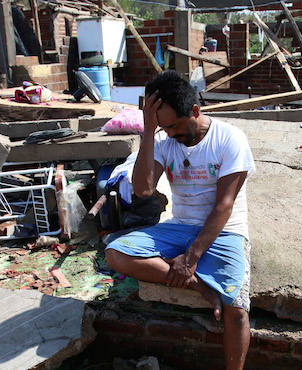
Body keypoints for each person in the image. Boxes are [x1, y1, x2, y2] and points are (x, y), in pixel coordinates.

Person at [105, 70, 255, 369]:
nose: (170, 133)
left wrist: (190, 257)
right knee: (115, 253)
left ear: (195, 111)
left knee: (236, 310)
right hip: (179, 227)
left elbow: (224, 207)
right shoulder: (162, 140)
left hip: (225, 231)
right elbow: (143, 189)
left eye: (174, 125)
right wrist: (148, 132)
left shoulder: (230, 139)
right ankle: (200, 286)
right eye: (163, 126)